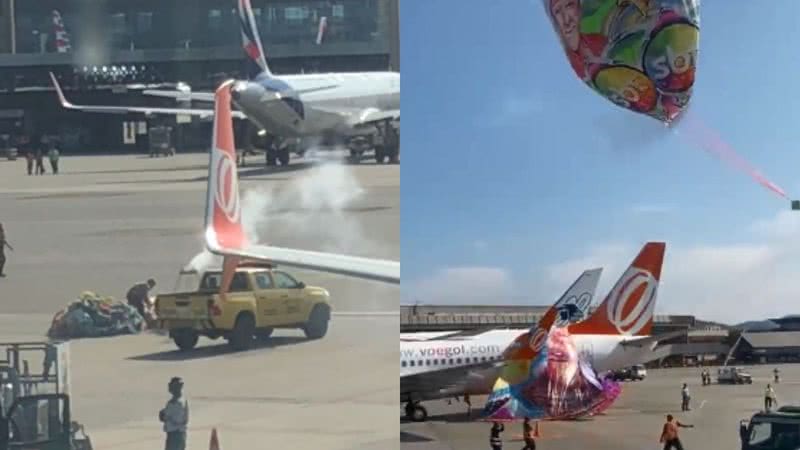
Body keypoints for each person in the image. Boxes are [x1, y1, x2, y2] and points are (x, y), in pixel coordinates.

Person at [159, 377, 188, 450]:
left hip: (176, 435)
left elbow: (178, 421)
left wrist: (166, 417)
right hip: (172, 435)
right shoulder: (172, 402)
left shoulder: (179, 403)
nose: (170, 387)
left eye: (172, 385)